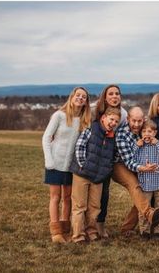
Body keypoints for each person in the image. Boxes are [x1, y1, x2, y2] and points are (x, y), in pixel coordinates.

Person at [42, 86, 91, 243]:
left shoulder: (84, 119)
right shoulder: (59, 116)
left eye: (83, 97)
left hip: (72, 165)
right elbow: (46, 138)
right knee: (55, 197)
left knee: (68, 197)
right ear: (72, 97)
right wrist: (48, 160)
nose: (80, 98)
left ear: (86, 102)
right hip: (55, 162)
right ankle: (56, 232)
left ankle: (66, 230)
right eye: (78, 95)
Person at [69, 106, 121, 243]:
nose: (113, 123)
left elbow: (114, 155)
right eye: (112, 119)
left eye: (116, 122)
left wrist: (106, 169)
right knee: (79, 206)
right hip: (82, 174)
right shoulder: (92, 128)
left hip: (98, 177)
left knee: (94, 207)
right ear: (104, 118)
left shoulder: (112, 137)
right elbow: (80, 146)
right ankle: (78, 235)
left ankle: (91, 231)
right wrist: (82, 165)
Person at [113, 105, 159, 236]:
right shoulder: (121, 135)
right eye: (133, 121)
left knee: (143, 195)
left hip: (140, 164)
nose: (136, 124)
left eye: (139, 121)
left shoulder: (145, 129)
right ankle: (149, 213)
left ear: (143, 119)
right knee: (135, 186)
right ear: (128, 119)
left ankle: (127, 228)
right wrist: (143, 168)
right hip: (119, 164)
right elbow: (129, 162)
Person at [94, 84, 128, 238]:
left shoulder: (124, 114)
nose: (114, 96)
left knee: (104, 192)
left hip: (108, 157)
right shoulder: (94, 108)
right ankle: (86, 224)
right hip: (92, 154)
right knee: (89, 192)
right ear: (105, 96)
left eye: (117, 93)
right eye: (111, 93)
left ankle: (100, 224)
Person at [134, 118, 159, 238]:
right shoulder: (139, 146)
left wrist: (158, 144)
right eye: (144, 131)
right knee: (144, 209)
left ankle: (158, 230)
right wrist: (136, 146)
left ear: (155, 133)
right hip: (145, 183)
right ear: (140, 133)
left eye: (150, 131)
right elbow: (132, 160)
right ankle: (145, 230)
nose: (147, 134)